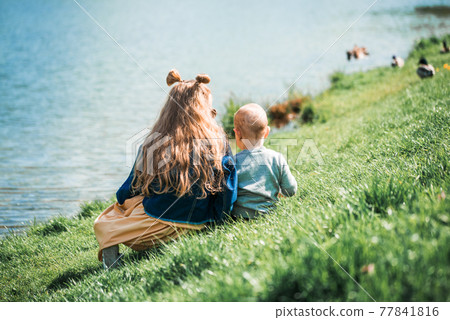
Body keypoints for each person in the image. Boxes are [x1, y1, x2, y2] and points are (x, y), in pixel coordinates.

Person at [94, 69, 237, 269]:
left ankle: (113, 250)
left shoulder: (155, 142)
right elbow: (228, 185)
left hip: (157, 227)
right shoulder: (218, 140)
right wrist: (221, 218)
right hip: (202, 222)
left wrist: (125, 203)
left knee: (105, 222)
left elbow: (130, 188)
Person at [231, 103, 297, 219]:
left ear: (238, 133)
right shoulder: (276, 158)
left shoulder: (232, 162)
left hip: (238, 217)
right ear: (267, 132)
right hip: (268, 214)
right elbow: (291, 190)